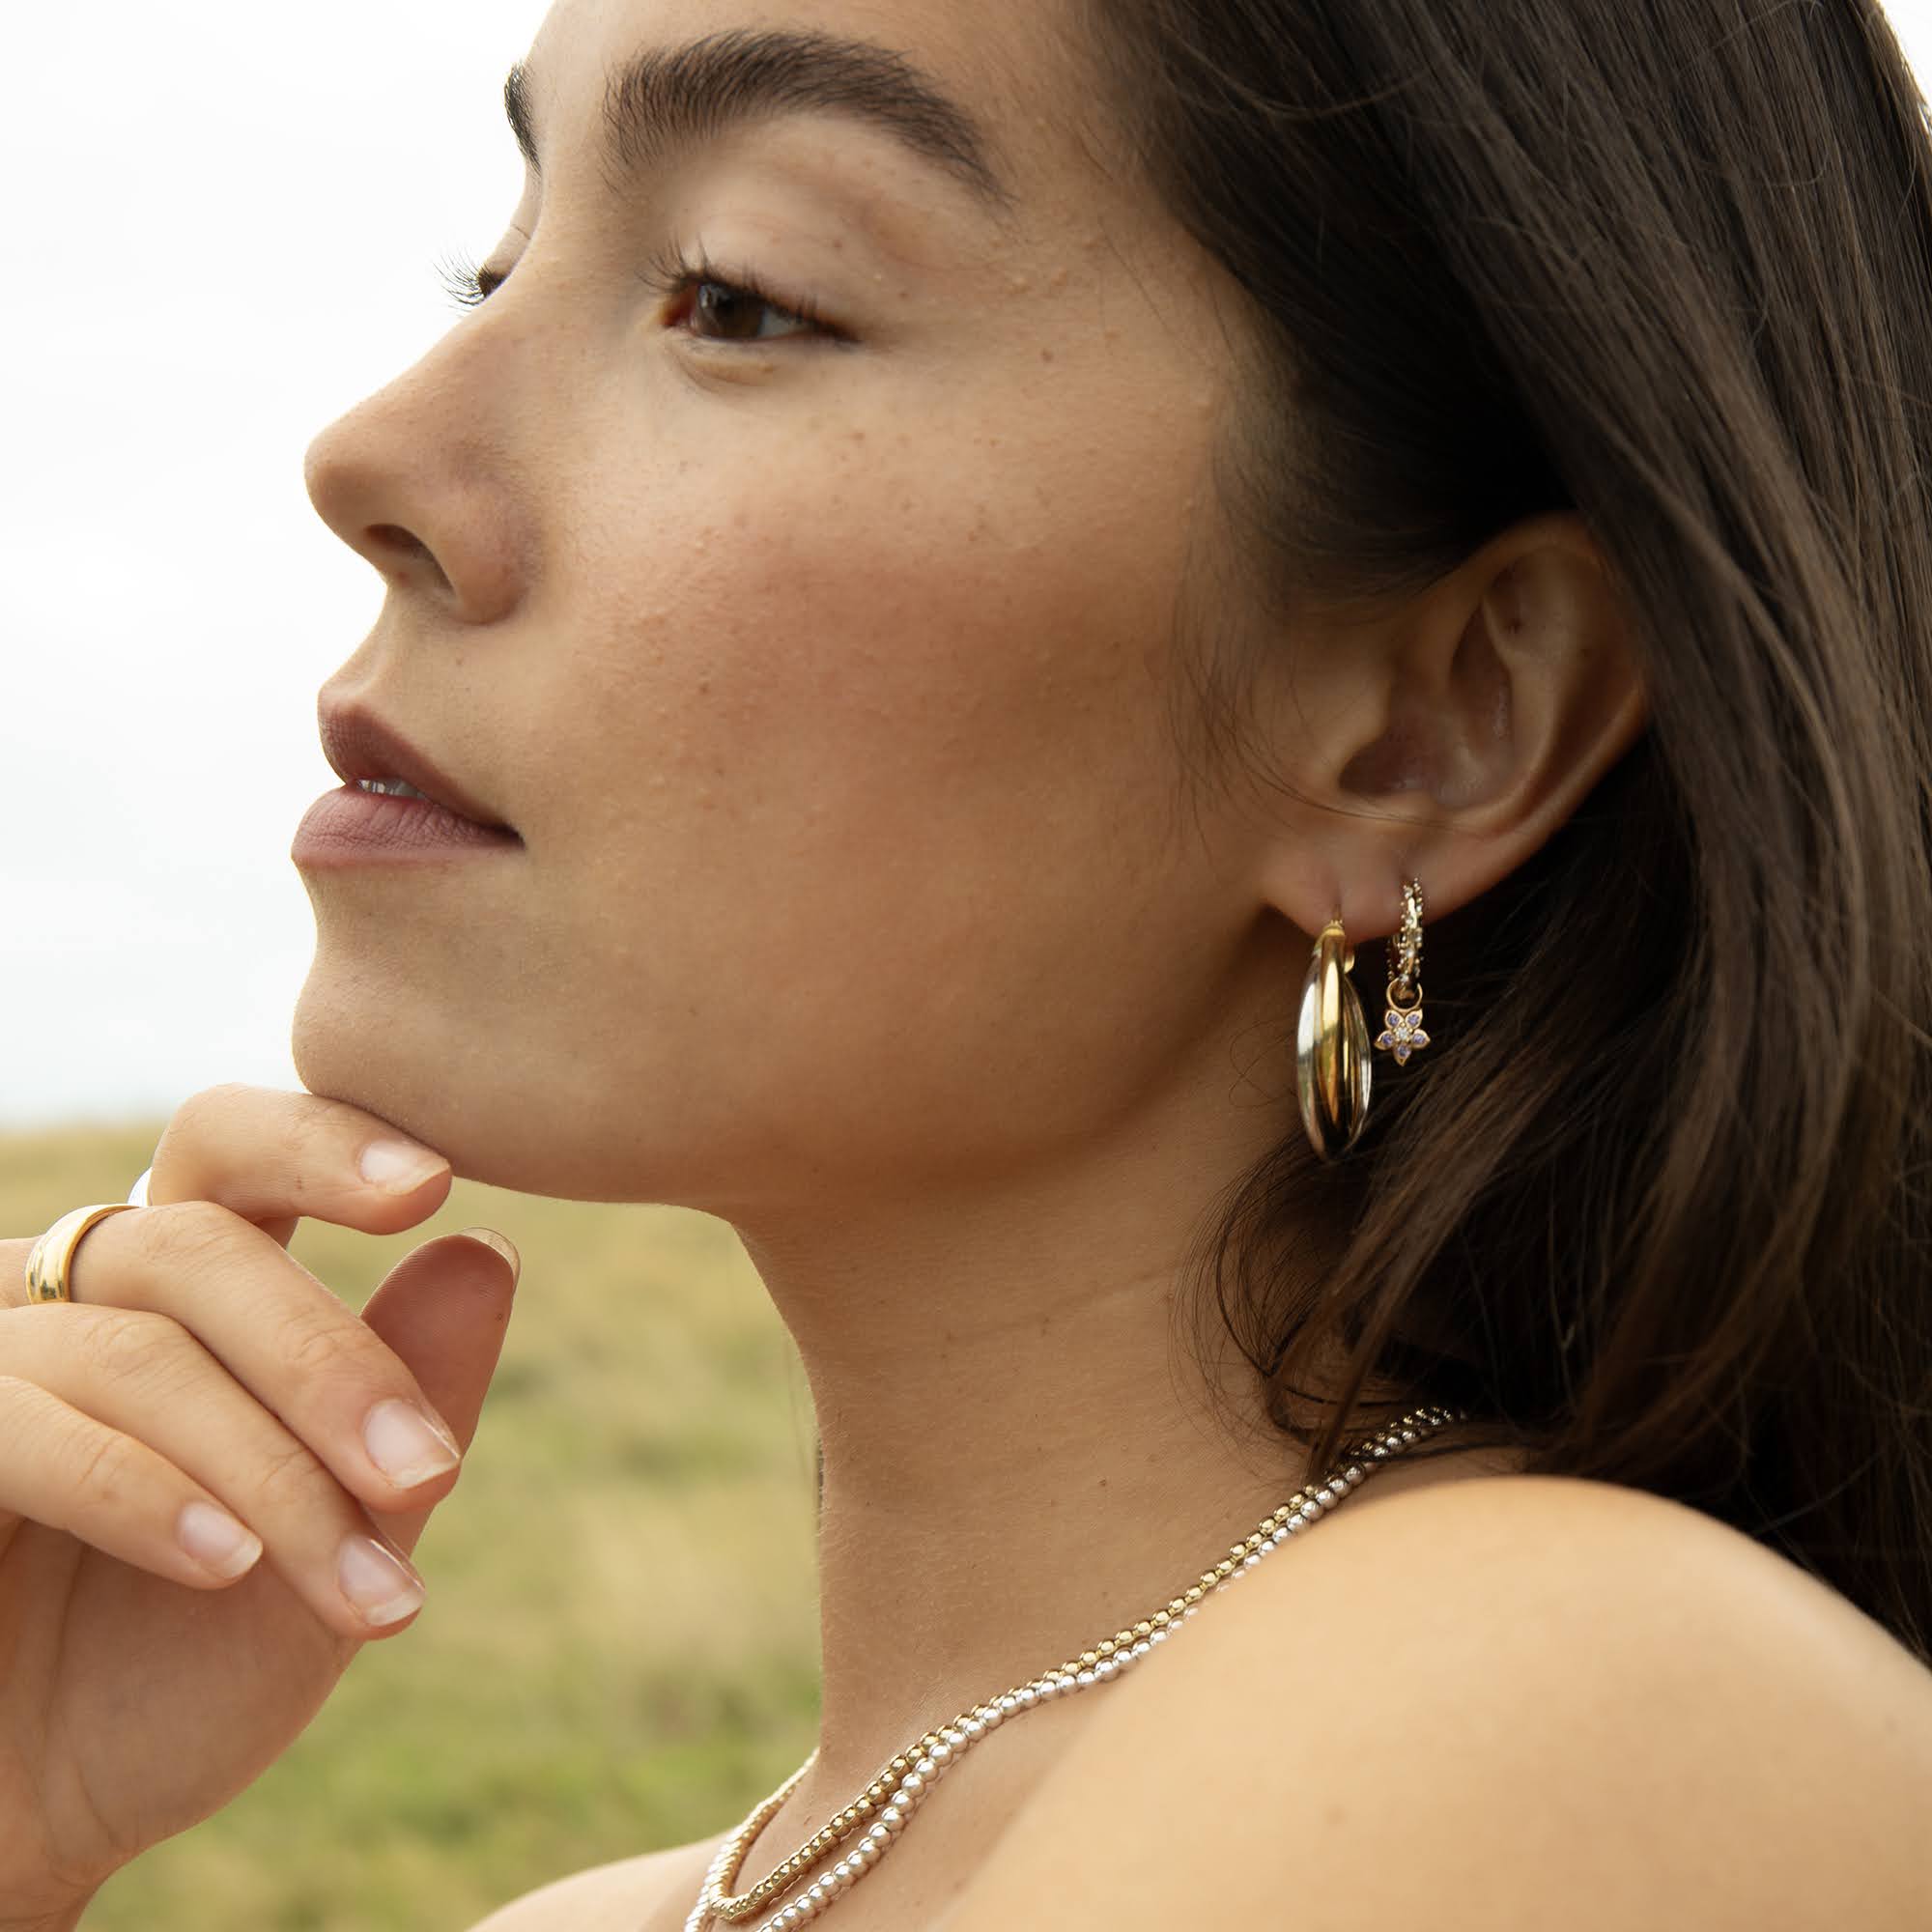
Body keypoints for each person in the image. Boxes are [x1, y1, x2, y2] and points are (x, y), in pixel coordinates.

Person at [7, 0, 1932, 1925]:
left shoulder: (1553, 1707)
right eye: (492, 262)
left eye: (737, 296)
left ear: (1435, 724)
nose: (372, 454)